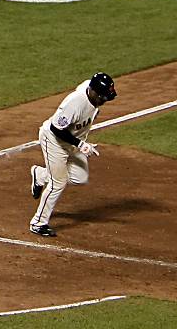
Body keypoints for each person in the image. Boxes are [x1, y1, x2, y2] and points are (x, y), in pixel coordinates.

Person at [29, 72, 118, 237]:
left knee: (80, 176)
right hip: (54, 141)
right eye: (103, 97)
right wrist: (80, 144)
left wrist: (79, 143)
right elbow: (56, 129)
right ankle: (38, 223)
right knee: (58, 183)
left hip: (73, 142)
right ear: (94, 92)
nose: (104, 101)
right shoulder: (75, 103)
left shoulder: (92, 92)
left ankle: (40, 175)